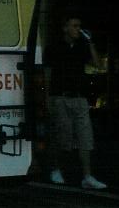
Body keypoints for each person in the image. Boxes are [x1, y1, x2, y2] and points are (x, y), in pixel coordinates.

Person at [44, 15, 107, 189]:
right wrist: (47, 98)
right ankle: (56, 169)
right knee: (63, 137)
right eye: (74, 26)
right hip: (61, 97)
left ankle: (87, 176)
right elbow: (48, 74)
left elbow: (97, 64)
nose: (77, 29)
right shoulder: (54, 47)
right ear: (65, 28)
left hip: (79, 97)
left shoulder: (82, 46)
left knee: (85, 137)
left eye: (79, 26)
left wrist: (90, 42)